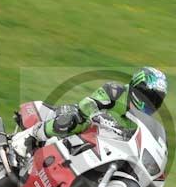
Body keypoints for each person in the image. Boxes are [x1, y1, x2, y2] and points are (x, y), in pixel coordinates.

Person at [11, 67, 168, 157]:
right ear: (137, 87)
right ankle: (30, 136)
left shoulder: (140, 122)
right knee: (76, 118)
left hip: (101, 143)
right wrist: (97, 115)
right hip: (85, 122)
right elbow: (88, 103)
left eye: (155, 99)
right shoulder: (116, 91)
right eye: (147, 96)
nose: (150, 102)